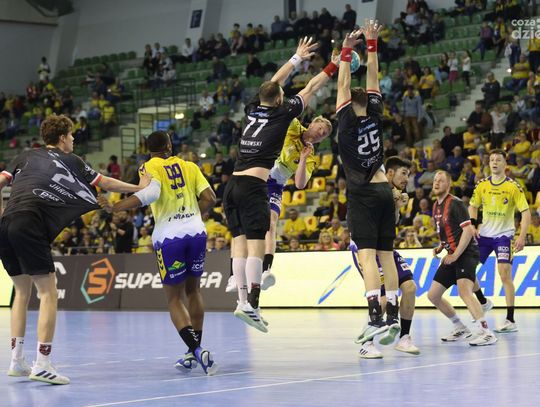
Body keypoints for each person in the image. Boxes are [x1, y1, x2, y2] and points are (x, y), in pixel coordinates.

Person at [0, 115, 144, 384]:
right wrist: (139, 187)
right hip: (30, 222)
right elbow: (106, 183)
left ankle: (16, 361)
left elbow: (1, 180)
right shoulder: (71, 160)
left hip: (6, 224)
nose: (74, 139)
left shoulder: (24, 156)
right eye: (71, 135)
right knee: (48, 293)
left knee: (21, 292)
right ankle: (42, 363)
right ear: (62, 138)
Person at [224, 37, 337, 333]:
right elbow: (311, 88)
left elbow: (273, 84)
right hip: (254, 185)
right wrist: (335, 64)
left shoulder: (252, 108)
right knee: (255, 247)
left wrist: (295, 58)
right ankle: (252, 303)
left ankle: (242, 302)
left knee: (239, 244)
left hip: (233, 183)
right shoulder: (285, 115)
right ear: (279, 101)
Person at [98, 130, 218, 374]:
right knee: (194, 291)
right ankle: (193, 351)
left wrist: (116, 206)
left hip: (169, 238)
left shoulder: (148, 166)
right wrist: (192, 216)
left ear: (148, 149)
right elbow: (210, 198)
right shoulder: (190, 166)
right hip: (196, 232)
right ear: (169, 146)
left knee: (174, 299)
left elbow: (150, 194)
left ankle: (196, 349)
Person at [336, 21, 400, 345]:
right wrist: (372, 42)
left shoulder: (346, 121)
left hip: (362, 193)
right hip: (384, 188)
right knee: (387, 256)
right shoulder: (375, 111)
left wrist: (346, 50)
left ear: (348, 102)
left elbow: (343, 81)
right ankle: (393, 316)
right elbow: (372, 74)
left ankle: (375, 318)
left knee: (367, 256)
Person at [351, 156, 420, 358]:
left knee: (410, 287)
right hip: (366, 247)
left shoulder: (396, 193)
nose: (406, 178)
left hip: (385, 248)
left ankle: (404, 338)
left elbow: (391, 223)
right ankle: (367, 343)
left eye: (408, 174)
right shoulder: (373, 188)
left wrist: (396, 206)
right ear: (389, 173)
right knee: (382, 298)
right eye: (403, 173)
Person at [256, 115, 332, 290]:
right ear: (312, 123)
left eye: (324, 134)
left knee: (271, 223)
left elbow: (300, 184)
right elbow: (284, 111)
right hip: (260, 172)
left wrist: (303, 158)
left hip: (275, 185)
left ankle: (266, 270)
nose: (321, 133)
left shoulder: (311, 157)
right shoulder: (294, 127)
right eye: (320, 128)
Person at [427, 171, 497, 346]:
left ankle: (486, 332)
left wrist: (455, 255)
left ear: (449, 184)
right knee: (433, 295)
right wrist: (441, 246)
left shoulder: (455, 203)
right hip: (452, 254)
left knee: (464, 291)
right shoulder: (435, 206)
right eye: (435, 180)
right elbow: (448, 230)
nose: (436, 183)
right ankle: (460, 327)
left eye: (441, 180)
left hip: (466, 253)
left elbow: (467, 231)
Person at [469, 150, 531, 333]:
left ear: (505, 164)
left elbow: (526, 213)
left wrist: (521, 235)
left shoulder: (513, 187)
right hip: (484, 235)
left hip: (504, 236)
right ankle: (483, 302)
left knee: (504, 275)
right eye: (491, 160)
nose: (494, 162)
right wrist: (473, 225)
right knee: (467, 270)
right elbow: (472, 206)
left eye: (498, 160)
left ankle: (510, 320)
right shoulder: (482, 185)